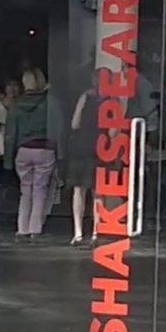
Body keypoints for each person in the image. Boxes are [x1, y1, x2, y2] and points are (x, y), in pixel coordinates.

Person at [4, 68, 64, 240]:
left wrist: (8, 159)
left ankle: (21, 228)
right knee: (40, 190)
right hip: (45, 149)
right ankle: (35, 229)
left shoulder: (16, 105)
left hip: (23, 151)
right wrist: (61, 155)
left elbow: (11, 133)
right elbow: (58, 129)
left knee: (25, 190)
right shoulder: (51, 103)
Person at [67, 71, 101, 245]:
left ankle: (78, 232)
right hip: (100, 148)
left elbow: (75, 123)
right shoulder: (112, 101)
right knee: (98, 191)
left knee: (79, 190)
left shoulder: (85, 97)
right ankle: (97, 231)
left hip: (82, 147)